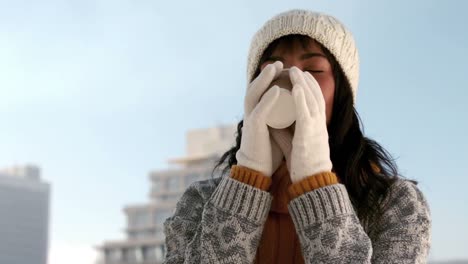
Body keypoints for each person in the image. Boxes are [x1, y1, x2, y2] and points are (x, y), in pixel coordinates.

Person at [162, 9, 431, 264]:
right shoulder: (200, 200)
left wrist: (316, 182)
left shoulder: (394, 203)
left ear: (343, 94)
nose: (290, 80)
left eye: (313, 70)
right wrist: (247, 179)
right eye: (271, 70)